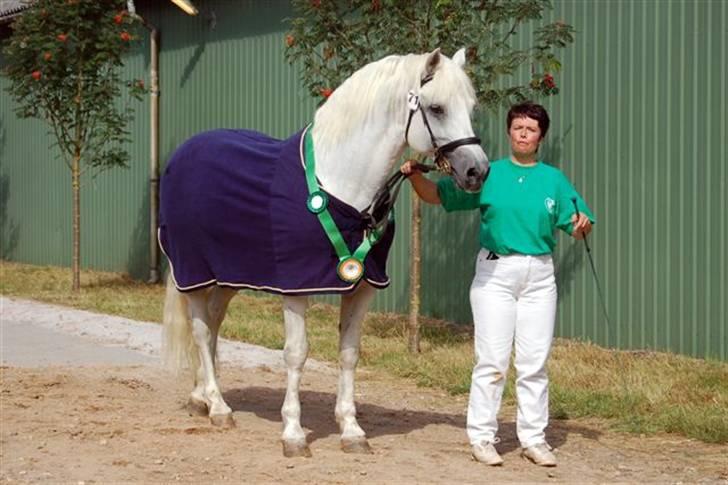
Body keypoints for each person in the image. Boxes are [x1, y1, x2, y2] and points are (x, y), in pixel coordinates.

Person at [401, 101, 594, 467]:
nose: (524, 134)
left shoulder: (553, 179)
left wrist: (582, 225)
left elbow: (577, 224)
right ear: (509, 132)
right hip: (495, 275)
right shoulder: (489, 174)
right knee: (492, 361)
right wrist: (414, 176)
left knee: (534, 362)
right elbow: (437, 196)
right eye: (518, 127)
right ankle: (482, 437)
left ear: (541, 137)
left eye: (531, 129)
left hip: (539, 276)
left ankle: (534, 439)